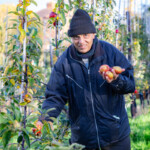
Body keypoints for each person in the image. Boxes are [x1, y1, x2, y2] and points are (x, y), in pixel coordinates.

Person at [39, 9, 135, 150]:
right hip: (83, 141)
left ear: (93, 34)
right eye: (76, 37)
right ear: (71, 38)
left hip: (116, 137)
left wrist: (116, 80)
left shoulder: (110, 53)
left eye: (85, 35)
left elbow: (131, 84)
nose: (81, 41)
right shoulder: (64, 62)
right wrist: (44, 119)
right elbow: (55, 95)